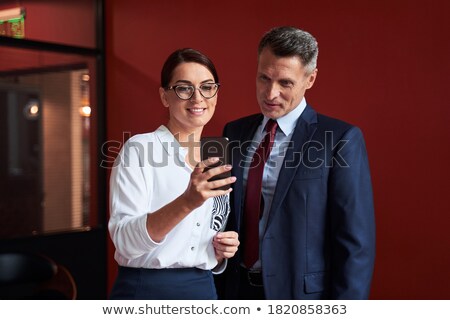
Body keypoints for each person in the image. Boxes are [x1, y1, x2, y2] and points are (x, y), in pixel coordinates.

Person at [216, 26, 375, 299]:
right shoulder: (234, 132)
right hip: (233, 291)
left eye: (285, 83)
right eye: (263, 78)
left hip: (300, 297)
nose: (270, 93)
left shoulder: (340, 139)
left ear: (310, 79)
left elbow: (355, 243)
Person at [108, 48, 239, 299]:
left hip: (203, 288)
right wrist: (187, 202)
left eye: (207, 87)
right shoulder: (139, 150)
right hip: (147, 290)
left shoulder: (217, 155)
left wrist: (220, 249)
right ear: (165, 96)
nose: (197, 98)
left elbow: (200, 237)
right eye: (184, 88)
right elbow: (125, 241)